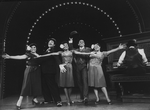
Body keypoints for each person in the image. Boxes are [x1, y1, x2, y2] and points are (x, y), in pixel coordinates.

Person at [2, 43, 42, 110]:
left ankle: (35, 99)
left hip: (37, 71)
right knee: (26, 85)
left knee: (36, 85)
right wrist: (10, 57)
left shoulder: (38, 55)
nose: (33, 48)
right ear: (29, 48)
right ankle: (19, 102)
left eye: (34, 47)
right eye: (32, 47)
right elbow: (20, 57)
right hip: (30, 70)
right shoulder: (28, 54)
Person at [40, 38, 63, 107]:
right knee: (45, 85)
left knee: (52, 85)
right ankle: (48, 99)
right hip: (44, 70)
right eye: (49, 42)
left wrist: (60, 65)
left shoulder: (54, 51)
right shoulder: (46, 51)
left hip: (50, 71)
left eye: (52, 42)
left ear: (54, 45)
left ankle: (58, 100)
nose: (50, 42)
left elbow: (57, 58)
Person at [73, 39, 91, 103]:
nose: (81, 43)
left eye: (82, 42)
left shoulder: (87, 49)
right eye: (80, 42)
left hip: (84, 66)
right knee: (79, 82)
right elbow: (74, 57)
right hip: (77, 67)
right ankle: (82, 96)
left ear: (84, 43)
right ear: (78, 44)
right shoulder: (76, 50)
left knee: (84, 81)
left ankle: (85, 96)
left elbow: (88, 55)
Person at [57, 40, 74, 105]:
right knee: (64, 84)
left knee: (70, 83)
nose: (65, 46)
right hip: (63, 67)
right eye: (64, 45)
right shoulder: (61, 52)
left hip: (70, 67)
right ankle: (68, 99)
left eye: (66, 45)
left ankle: (68, 98)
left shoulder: (71, 52)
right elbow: (53, 54)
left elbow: (80, 53)